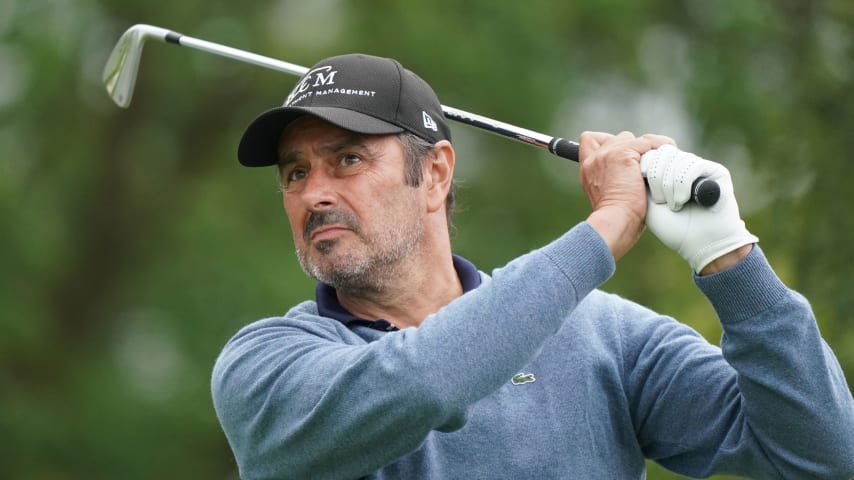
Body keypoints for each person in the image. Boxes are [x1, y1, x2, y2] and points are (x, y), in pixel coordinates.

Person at [211, 53, 854, 479]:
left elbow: (823, 455)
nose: (313, 193)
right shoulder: (267, 363)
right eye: (296, 173)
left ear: (433, 175)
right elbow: (425, 381)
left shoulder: (611, 340)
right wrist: (605, 228)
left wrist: (731, 259)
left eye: (346, 160)